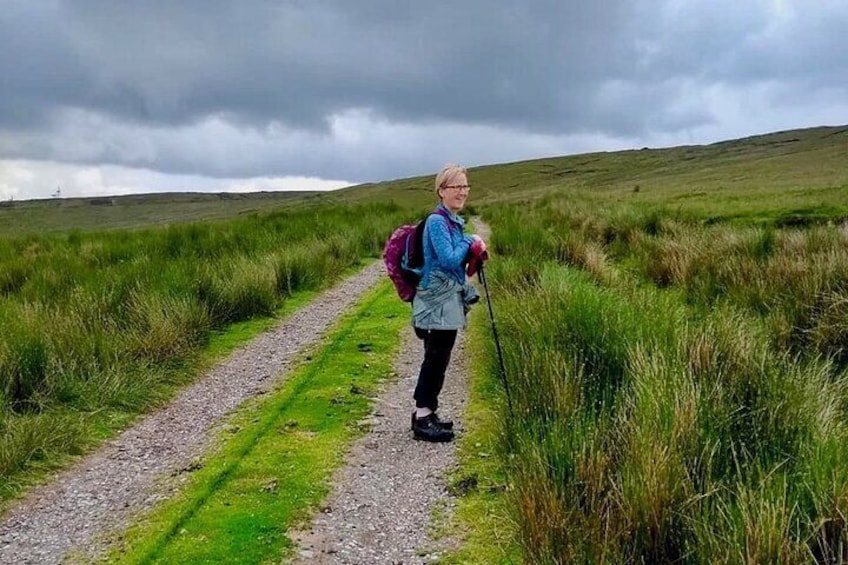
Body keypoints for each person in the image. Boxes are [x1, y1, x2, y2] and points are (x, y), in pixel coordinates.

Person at [410, 163, 487, 442]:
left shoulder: (452, 220)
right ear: (441, 191)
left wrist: (470, 244)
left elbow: (457, 261)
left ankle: (428, 412)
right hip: (436, 300)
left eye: (465, 186)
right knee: (435, 357)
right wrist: (471, 240)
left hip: (446, 298)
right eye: (456, 187)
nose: (462, 192)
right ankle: (422, 417)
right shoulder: (437, 222)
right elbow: (449, 259)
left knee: (440, 356)